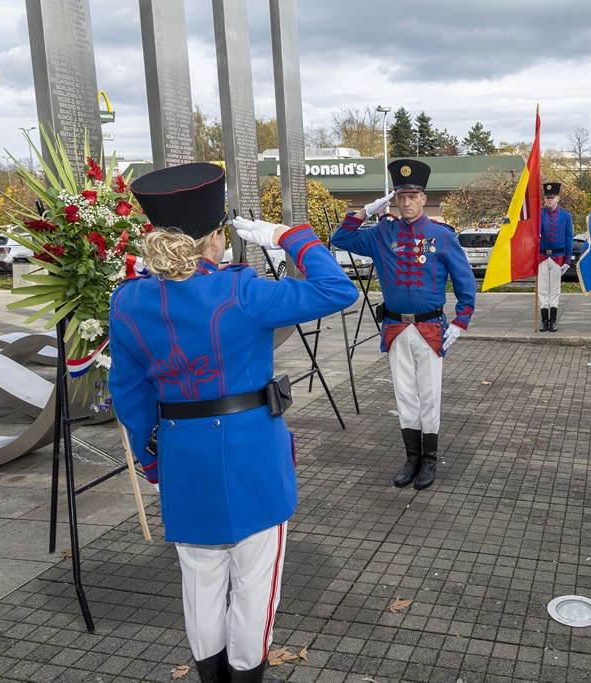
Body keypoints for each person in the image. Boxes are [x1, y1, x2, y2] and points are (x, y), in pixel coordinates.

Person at [110, 162, 358, 683]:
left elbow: (128, 390)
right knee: (254, 584)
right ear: (215, 237)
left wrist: (152, 460)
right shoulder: (241, 290)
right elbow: (339, 290)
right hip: (251, 456)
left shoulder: (129, 299)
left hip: (182, 456)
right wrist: (290, 236)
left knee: (199, 583)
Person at [331, 159, 476, 490]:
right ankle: (411, 457)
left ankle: (429, 459)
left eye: (412, 196)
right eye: (400, 196)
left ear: (423, 198)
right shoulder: (382, 233)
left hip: (430, 329)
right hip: (396, 328)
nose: (406, 202)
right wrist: (365, 211)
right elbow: (340, 239)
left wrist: (461, 322)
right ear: (394, 199)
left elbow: (466, 282)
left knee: (430, 395)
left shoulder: (441, 235)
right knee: (405, 396)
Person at [537, 182, 573, 332]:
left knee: (555, 290)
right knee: (543, 290)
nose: (549, 200)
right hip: (542, 257)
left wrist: (568, 260)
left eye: (552, 197)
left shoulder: (565, 215)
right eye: (547, 198)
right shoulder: (540, 214)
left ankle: (553, 320)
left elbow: (569, 237)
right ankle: (544, 320)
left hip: (558, 257)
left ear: (558, 198)